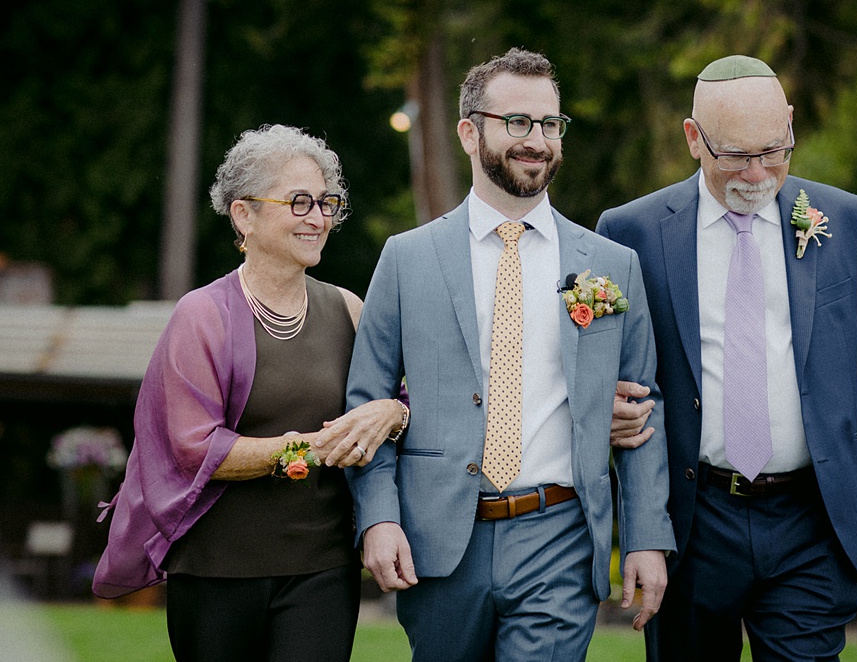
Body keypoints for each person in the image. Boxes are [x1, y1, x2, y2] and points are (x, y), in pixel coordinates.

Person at [344, 47, 675, 661]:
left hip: (560, 536)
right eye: (518, 122)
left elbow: (641, 412)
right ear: (471, 132)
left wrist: (647, 538)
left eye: (550, 125)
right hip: (440, 543)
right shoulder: (406, 259)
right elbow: (369, 401)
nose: (538, 140)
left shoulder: (609, 265)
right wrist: (378, 518)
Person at [597, 55, 857, 661]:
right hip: (694, 518)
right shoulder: (630, 231)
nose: (759, 172)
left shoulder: (846, 220)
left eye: (775, 149)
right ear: (694, 138)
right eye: (737, 155)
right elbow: (609, 373)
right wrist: (602, 402)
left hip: (810, 517)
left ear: (790, 125)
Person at [92, 124, 409, 661]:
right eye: (299, 202)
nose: (318, 218)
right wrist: (313, 448)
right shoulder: (202, 315)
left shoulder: (349, 310)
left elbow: (406, 399)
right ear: (244, 215)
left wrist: (393, 412)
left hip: (323, 568)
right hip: (217, 572)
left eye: (327, 202)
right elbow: (197, 449)